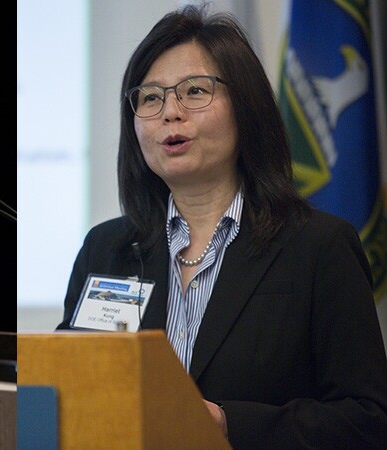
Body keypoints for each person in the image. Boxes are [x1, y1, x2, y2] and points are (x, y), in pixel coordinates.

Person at [57, 4, 387, 448]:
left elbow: (366, 420)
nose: (170, 112)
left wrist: (231, 424)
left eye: (195, 91)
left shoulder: (317, 247)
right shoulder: (107, 248)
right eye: (151, 97)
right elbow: (67, 392)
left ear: (246, 106)